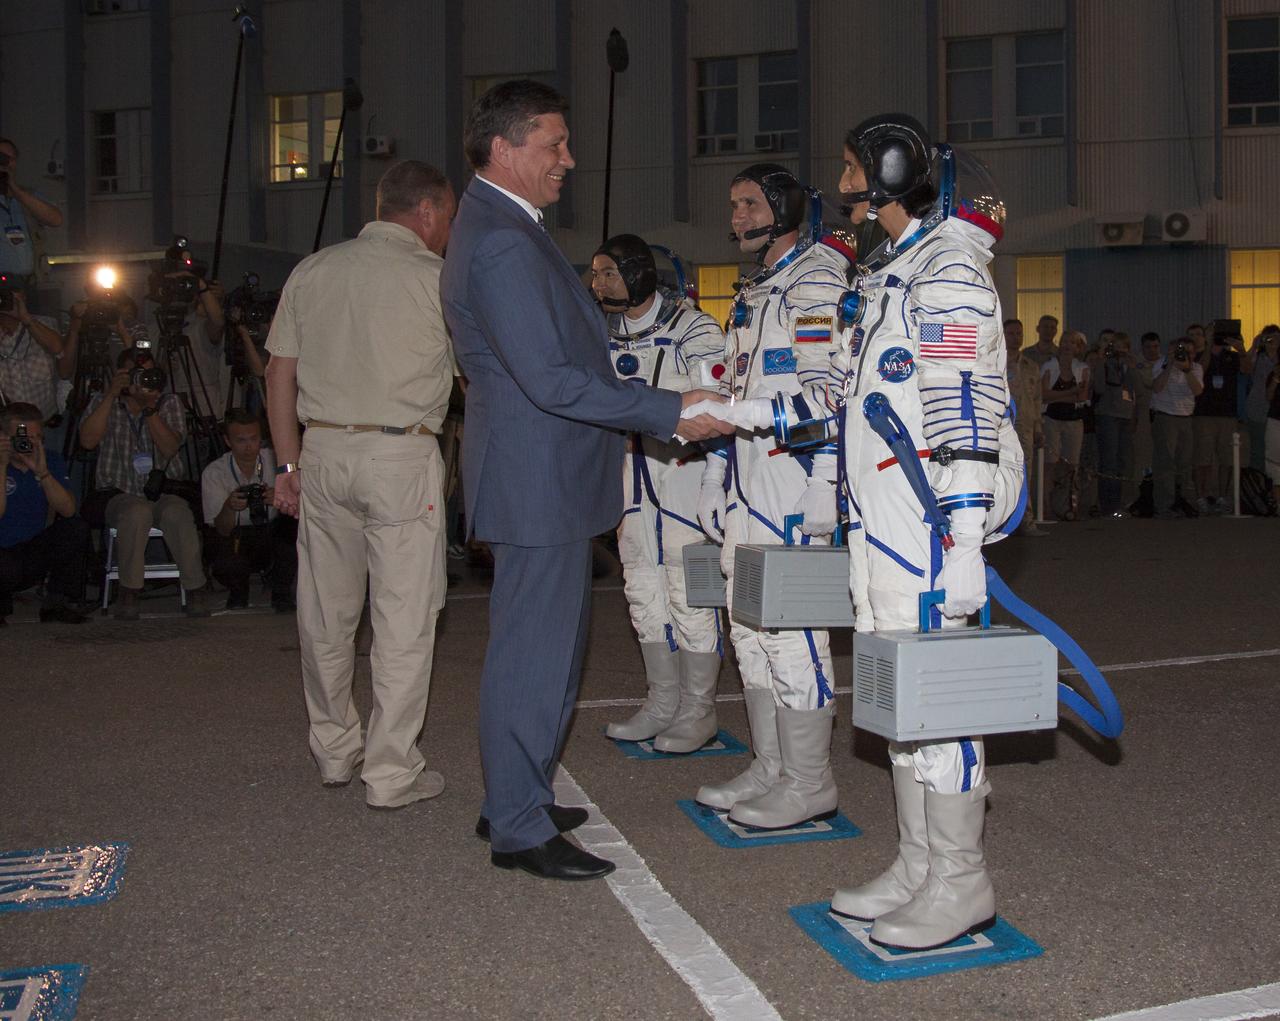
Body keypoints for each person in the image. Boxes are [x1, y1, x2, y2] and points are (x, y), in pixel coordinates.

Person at [440, 80, 730, 882]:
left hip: (546, 473)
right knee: (533, 653)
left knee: (549, 647)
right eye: (554, 144)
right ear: (505, 149)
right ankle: (519, 825)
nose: (568, 159)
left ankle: (516, 793)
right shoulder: (501, 239)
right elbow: (553, 380)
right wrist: (671, 409)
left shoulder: (506, 226)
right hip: (538, 478)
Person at [822, 116, 1023, 951]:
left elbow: (964, 404)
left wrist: (968, 541)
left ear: (892, 171)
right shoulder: (890, 273)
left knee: (941, 703)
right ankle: (916, 864)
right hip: (884, 518)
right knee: (897, 692)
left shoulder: (947, 272)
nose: (839, 186)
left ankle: (961, 879)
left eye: (850, 169)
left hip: (934, 517)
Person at [265, 160, 456, 810]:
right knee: (403, 618)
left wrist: (286, 464)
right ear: (428, 212)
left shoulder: (314, 269)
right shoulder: (437, 279)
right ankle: (391, 771)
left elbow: (278, 372)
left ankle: (336, 750)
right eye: (448, 218)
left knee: (325, 611)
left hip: (322, 449)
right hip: (401, 453)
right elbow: (475, 379)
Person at [687, 162, 855, 832]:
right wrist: (715, 470)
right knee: (747, 624)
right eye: (733, 205)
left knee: (790, 633)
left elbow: (825, 400)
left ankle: (810, 780)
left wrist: (744, 421)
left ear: (784, 207)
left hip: (795, 476)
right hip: (752, 477)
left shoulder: (815, 279)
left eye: (750, 204)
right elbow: (741, 387)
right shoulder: (758, 289)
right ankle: (771, 764)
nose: (738, 217)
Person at [591, 234, 726, 753]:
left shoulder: (692, 327)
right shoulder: (600, 332)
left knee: (688, 588)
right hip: (631, 471)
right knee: (641, 586)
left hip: (682, 470)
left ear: (638, 273)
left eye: (608, 273)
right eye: (598, 274)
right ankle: (662, 700)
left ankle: (698, 708)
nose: (599, 283)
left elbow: (713, 401)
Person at [78, 347, 211, 619]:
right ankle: (129, 591)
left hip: (162, 490)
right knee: (136, 511)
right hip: (118, 492)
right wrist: (112, 394)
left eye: (149, 374)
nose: (144, 380)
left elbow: (170, 447)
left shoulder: (169, 402)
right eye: (137, 374)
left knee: (178, 512)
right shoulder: (103, 400)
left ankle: (196, 588)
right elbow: (87, 441)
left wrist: (150, 409)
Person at [0, 402, 89, 626]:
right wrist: (1, 467)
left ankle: (58, 603)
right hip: (2, 553)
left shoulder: (49, 459)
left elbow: (68, 510)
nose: (29, 443)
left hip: (31, 551)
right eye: (22, 435)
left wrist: (42, 473)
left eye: (37, 436)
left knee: (75, 528)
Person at [200, 409, 296, 611]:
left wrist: (279, 498)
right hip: (237, 536)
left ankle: (281, 592)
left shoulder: (275, 460)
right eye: (241, 440)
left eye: (253, 439)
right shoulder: (215, 472)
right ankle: (237, 590)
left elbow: (301, 504)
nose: (248, 446)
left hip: (270, 530)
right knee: (219, 543)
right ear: (228, 441)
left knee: (291, 527)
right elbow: (220, 529)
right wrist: (229, 506)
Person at [1193, 326, 1248, 515]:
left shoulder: (1232, 357)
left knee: (1227, 459)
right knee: (1203, 458)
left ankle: (1223, 497)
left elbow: (1247, 370)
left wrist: (1240, 349)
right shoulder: (1199, 355)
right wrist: (1208, 346)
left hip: (1227, 414)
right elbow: (1201, 370)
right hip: (1204, 413)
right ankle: (1201, 497)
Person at [0, 138, 64, 301]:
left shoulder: (27, 196)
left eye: (10, 158)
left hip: (29, 285)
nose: (5, 162)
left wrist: (14, 189)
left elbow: (56, 219)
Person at [1150, 335, 1205, 517]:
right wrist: (1170, 365)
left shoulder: (1196, 368)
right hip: (1166, 417)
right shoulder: (1161, 363)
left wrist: (1186, 369)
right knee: (1165, 463)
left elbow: (1197, 391)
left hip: (1186, 419)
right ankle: (1164, 506)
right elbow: (1156, 387)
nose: (1184, 354)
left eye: (1188, 351)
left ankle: (1184, 502)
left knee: (1185, 463)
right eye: (1180, 350)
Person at [1040, 331, 1090, 520]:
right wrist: (1071, 392)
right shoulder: (1049, 367)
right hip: (1052, 419)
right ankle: (1045, 506)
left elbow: (1083, 397)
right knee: (1050, 465)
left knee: (1072, 466)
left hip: (1074, 420)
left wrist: (1061, 394)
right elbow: (1044, 395)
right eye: (1064, 342)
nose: (1068, 345)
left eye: (1072, 343)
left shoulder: (1082, 368)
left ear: (1078, 348)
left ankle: (1069, 506)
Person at [1003, 318, 1046, 535]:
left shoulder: (1030, 366)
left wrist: (1038, 428)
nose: (1016, 338)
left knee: (1025, 472)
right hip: (1001, 425)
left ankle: (1026, 521)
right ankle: (1001, 522)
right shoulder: (995, 362)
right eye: (1011, 333)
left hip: (1025, 427)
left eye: (1019, 333)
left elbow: (1037, 400)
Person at [0, 290, 63, 422]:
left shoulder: (43, 323)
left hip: (46, 422)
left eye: (9, 296)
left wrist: (26, 318)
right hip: (12, 426)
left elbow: (58, 349)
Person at [1092, 331, 1137, 517]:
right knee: (1108, 461)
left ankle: (1119, 503)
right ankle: (1108, 505)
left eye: (1123, 347)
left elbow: (1135, 389)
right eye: (1115, 347)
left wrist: (1131, 367)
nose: (1119, 350)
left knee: (1122, 461)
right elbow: (1099, 388)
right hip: (1108, 414)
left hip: (1125, 415)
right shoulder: (1103, 363)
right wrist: (1103, 361)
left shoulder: (1128, 365)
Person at [1244, 327, 1280, 474]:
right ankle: (1258, 484)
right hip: (1257, 407)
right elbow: (1245, 368)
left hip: (1276, 409)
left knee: (1275, 451)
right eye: (1269, 338)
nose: (1273, 341)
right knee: (1257, 449)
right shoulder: (1258, 358)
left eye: (1276, 337)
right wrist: (1254, 345)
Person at [1131, 331, 1163, 496]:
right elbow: (1147, 383)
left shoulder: (1166, 363)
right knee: (1143, 455)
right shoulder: (1136, 364)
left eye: (1156, 346)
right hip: (1144, 413)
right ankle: (1141, 493)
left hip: (1163, 413)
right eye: (1148, 347)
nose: (1152, 350)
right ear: (1142, 348)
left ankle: (1161, 494)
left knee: (1163, 455)